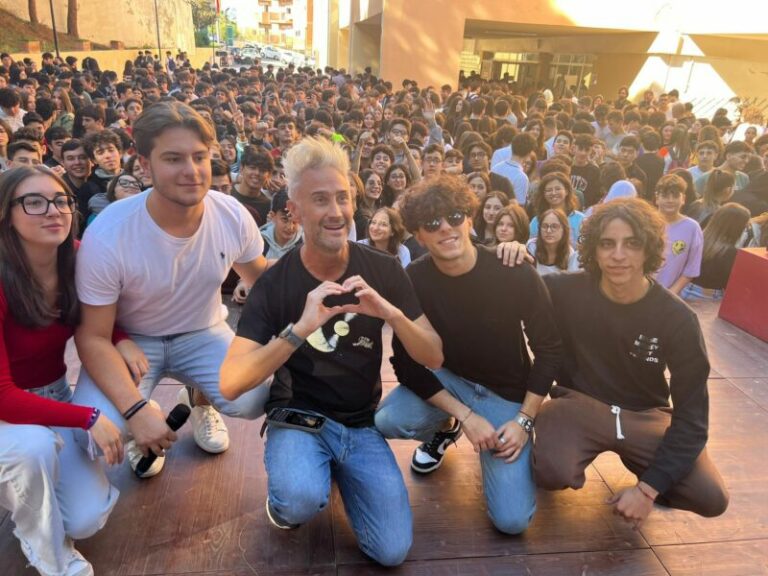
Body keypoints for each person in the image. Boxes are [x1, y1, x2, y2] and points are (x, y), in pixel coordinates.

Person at [219, 136, 443, 567]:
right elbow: (231, 383)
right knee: (298, 501)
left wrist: (390, 313)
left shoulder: (383, 268)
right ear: (295, 210)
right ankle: (292, 493)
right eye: (320, 200)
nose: (336, 212)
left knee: (391, 552)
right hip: (299, 418)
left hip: (361, 425)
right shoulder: (275, 282)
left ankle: (335, 471)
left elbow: (432, 354)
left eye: (342, 197)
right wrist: (299, 328)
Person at [71, 102, 270, 480]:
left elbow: (261, 277)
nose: (192, 171)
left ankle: (197, 400)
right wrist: (135, 411)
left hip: (202, 332)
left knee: (254, 397)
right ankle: (143, 430)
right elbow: (93, 336)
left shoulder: (230, 213)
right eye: (174, 159)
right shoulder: (111, 231)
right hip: (133, 341)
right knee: (94, 438)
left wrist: (324, 269)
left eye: (200, 157)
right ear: (144, 165)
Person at [375, 174, 561, 535]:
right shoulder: (413, 280)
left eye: (455, 216)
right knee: (388, 420)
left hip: (506, 395)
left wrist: (524, 420)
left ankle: (509, 446)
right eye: (432, 223)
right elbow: (406, 363)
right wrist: (465, 415)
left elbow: (550, 350)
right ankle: (447, 426)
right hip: (451, 381)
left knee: (512, 522)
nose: (446, 228)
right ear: (418, 234)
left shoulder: (514, 271)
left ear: (471, 219)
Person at [535, 198, 729, 529]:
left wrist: (648, 489)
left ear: (649, 249)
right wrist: (506, 252)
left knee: (711, 497)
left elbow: (693, 417)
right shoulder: (564, 289)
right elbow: (513, 286)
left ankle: (647, 469)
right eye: (607, 244)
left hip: (645, 414)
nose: (618, 255)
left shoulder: (677, 318)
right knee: (552, 472)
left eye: (632, 244)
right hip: (579, 404)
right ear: (594, 250)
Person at [0, 166, 144, 576]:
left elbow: (97, 310)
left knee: (87, 518)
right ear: (5, 214)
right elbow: (3, 395)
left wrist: (121, 336)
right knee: (32, 450)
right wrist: (88, 417)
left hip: (52, 393)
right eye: (34, 201)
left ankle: (26, 490)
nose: (54, 211)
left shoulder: (77, 257)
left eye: (61, 200)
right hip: (6, 411)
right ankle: (51, 556)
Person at [653, 174, 704, 296]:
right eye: (665, 196)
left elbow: (691, 268)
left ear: (683, 199)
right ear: (657, 198)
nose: (670, 200)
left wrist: (671, 294)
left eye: (675, 196)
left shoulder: (692, 228)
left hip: (669, 296)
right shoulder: (644, 223)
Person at [690, 203, 751, 294]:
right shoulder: (731, 253)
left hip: (685, 288)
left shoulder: (697, 239)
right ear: (737, 228)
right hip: (709, 296)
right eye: (745, 226)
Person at [529, 172, 585, 246]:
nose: (553, 193)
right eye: (549, 190)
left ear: (567, 191)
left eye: (558, 189)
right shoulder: (536, 221)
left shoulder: (581, 219)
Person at [526, 209, 580, 275]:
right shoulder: (531, 247)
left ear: (564, 229)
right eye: (545, 226)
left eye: (554, 226)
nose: (548, 231)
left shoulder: (570, 253)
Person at [260, 189, 302, 260]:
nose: (290, 227)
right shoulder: (260, 243)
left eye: (294, 221)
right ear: (273, 216)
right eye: (284, 219)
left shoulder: (304, 245)